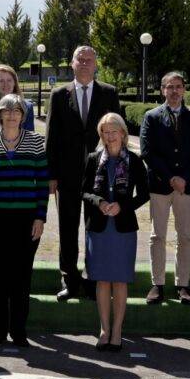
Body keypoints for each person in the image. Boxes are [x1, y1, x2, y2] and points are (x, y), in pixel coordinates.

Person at [45, 45, 121, 301]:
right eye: (81, 59)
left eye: (90, 60)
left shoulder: (109, 93)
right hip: (66, 177)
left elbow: (118, 135)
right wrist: (51, 175)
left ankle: (93, 279)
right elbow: (51, 137)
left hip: (98, 177)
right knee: (67, 228)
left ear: (96, 64)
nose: (85, 63)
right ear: (72, 63)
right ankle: (68, 278)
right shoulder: (58, 95)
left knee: (95, 228)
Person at [0, 94, 48, 347]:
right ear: (0, 115)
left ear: (23, 116)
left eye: (17, 111)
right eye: (8, 111)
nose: (12, 115)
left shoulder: (36, 142)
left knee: (21, 277)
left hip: (26, 221)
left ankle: (19, 332)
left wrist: (40, 217)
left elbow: (42, 185)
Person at [82, 112, 148, 352]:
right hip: (99, 228)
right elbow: (84, 191)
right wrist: (99, 201)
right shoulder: (92, 158)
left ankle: (117, 330)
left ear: (123, 132)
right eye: (105, 132)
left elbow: (144, 194)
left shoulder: (135, 160)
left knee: (119, 280)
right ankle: (104, 329)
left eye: (114, 131)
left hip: (122, 229)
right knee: (102, 280)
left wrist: (123, 205)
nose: (109, 136)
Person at [140, 71, 190, 304]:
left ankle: (182, 285)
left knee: (185, 237)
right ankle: (157, 284)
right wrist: (171, 178)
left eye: (178, 86)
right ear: (162, 90)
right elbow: (147, 151)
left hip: (186, 187)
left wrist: (184, 178)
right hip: (160, 185)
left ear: (184, 89)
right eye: (169, 87)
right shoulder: (151, 116)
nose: (174, 91)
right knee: (157, 236)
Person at [0, 64, 35, 135]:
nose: (5, 84)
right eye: (1, 81)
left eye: (9, 80)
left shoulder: (27, 107)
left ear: (14, 83)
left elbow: (29, 138)